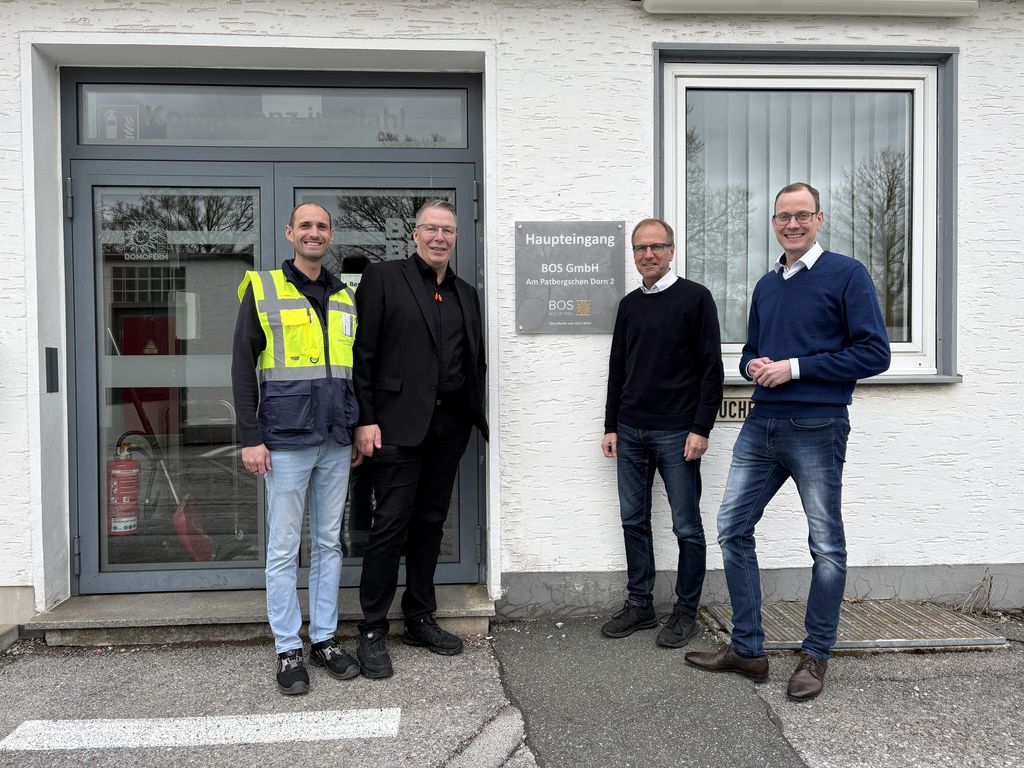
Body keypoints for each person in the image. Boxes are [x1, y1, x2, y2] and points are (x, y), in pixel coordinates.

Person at [685, 182, 890, 701]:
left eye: (801, 215)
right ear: (774, 223)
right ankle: (749, 649)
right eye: (783, 217)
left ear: (819, 218)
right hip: (763, 425)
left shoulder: (847, 274)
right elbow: (753, 349)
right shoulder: (767, 284)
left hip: (818, 427)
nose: (792, 224)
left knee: (825, 545)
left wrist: (795, 368)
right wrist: (750, 364)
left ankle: (816, 656)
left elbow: (874, 354)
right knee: (732, 527)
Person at [353, 199, 488, 679]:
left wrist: (473, 411)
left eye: (447, 231)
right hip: (395, 427)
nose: (439, 238)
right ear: (414, 234)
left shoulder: (466, 293)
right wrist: (364, 419)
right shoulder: (384, 278)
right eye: (431, 229)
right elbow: (363, 355)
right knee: (389, 526)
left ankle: (418, 617)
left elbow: (475, 360)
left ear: (456, 238)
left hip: (449, 429)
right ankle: (370, 628)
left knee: (431, 523)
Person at [232, 202, 361, 695]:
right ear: (290, 233)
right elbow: (243, 368)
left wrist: (353, 428)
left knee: (329, 543)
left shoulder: (346, 296)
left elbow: (354, 373)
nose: (314, 233)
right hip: (284, 440)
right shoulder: (263, 289)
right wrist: (250, 436)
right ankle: (288, 648)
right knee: (285, 548)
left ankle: (324, 640)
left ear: (330, 236)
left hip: (333, 439)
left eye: (322, 226)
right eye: (305, 225)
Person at [600, 218, 724, 647]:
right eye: (640, 248)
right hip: (631, 431)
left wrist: (701, 427)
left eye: (656, 246)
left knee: (686, 526)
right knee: (633, 519)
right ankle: (641, 605)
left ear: (671, 250)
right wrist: (611, 424)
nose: (647, 254)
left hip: (678, 434)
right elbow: (618, 368)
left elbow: (712, 369)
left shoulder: (696, 299)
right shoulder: (630, 305)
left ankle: (686, 611)